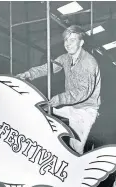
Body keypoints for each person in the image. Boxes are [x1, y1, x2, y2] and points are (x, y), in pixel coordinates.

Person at [16, 25, 101, 155]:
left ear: (81, 42)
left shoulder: (88, 62)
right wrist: (28, 74)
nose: (68, 43)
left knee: (75, 150)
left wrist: (60, 99)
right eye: (66, 40)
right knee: (40, 108)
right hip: (71, 105)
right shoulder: (66, 58)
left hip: (85, 110)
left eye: (72, 40)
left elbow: (83, 92)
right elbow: (48, 68)